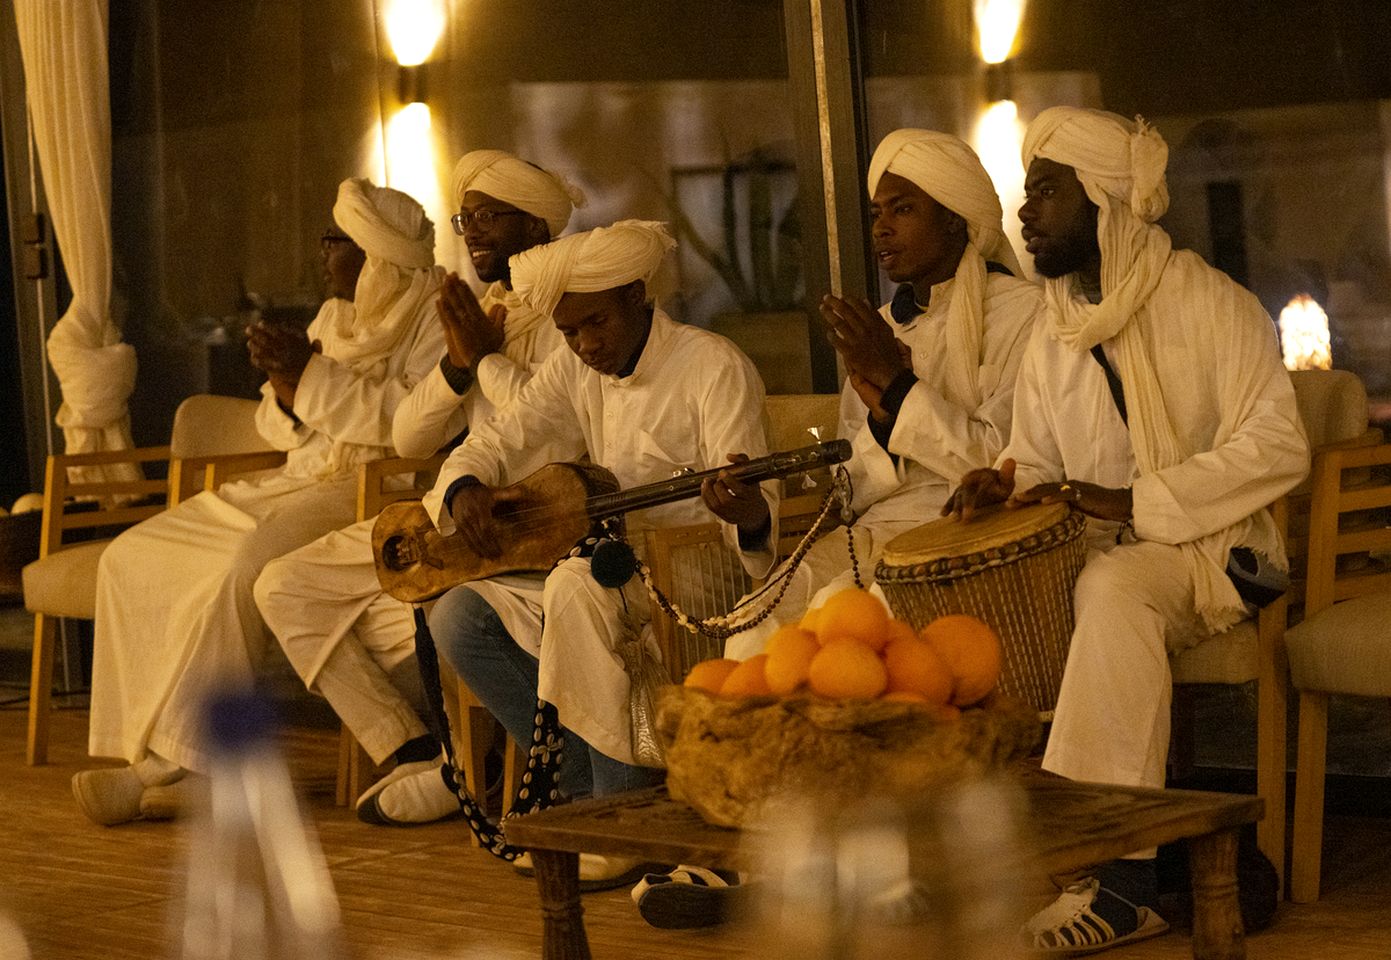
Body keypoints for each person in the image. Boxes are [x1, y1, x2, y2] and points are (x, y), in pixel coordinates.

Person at [945, 107, 1308, 953]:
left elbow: (1277, 444)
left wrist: (1134, 502)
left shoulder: (1209, 301)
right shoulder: (1055, 329)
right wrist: (1002, 487)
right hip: (1104, 553)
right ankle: (1000, 858)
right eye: (1023, 193)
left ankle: (1116, 879)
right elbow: (1034, 461)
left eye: (1043, 192)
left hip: (1222, 552)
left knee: (1109, 587)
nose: (1023, 214)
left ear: (1105, 200)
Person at [74, 178, 447, 826]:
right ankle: (152, 746)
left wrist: (310, 378)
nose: (322, 252)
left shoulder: (435, 317)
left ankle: (180, 767)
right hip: (299, 474)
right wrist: (283, 387)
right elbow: (280, 428)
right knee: (133, 555)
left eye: (337, 240)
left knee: (245, 570)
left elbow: (402, 425)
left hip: (368, 488)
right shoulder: (334, 316)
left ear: (377, 254)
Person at [419, 219, 776, 888]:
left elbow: (757, 515)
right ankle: (577, 783)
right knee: (458, 617)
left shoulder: (711, 364)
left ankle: (620, 817)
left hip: (696, 570)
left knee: (574, 589)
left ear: (638, 296)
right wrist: (464, 486)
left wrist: (746, 511)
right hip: (606, 567)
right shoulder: (572, 367)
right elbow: (502, 437)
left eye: (596, 324)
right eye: (569, 332)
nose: (585, 344)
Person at [253, 152, 586, 827]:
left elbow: (554, 431)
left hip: (531, 516)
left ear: (536, 225)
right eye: (467, 217)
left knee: (412, 615)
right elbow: (409, 435)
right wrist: (459, 367)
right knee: (281, 586)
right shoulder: (484, 308)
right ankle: (413, 747)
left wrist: (482, 359)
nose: (472, 232)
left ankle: (474, 764)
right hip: (455, 508)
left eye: (490, 217)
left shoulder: (571, 313)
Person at [724, 129, 1042, 661]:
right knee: (749, 632)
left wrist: (896, 388)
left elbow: (1008, 461)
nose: (882, 229)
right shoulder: (878, 327)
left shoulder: (1023, 315)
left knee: (840, 629)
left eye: (902, 210)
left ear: (953, 218)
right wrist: (877, 418)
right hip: (870, 534)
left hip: (966, 533)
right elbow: (851, 488)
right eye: (876, 213)